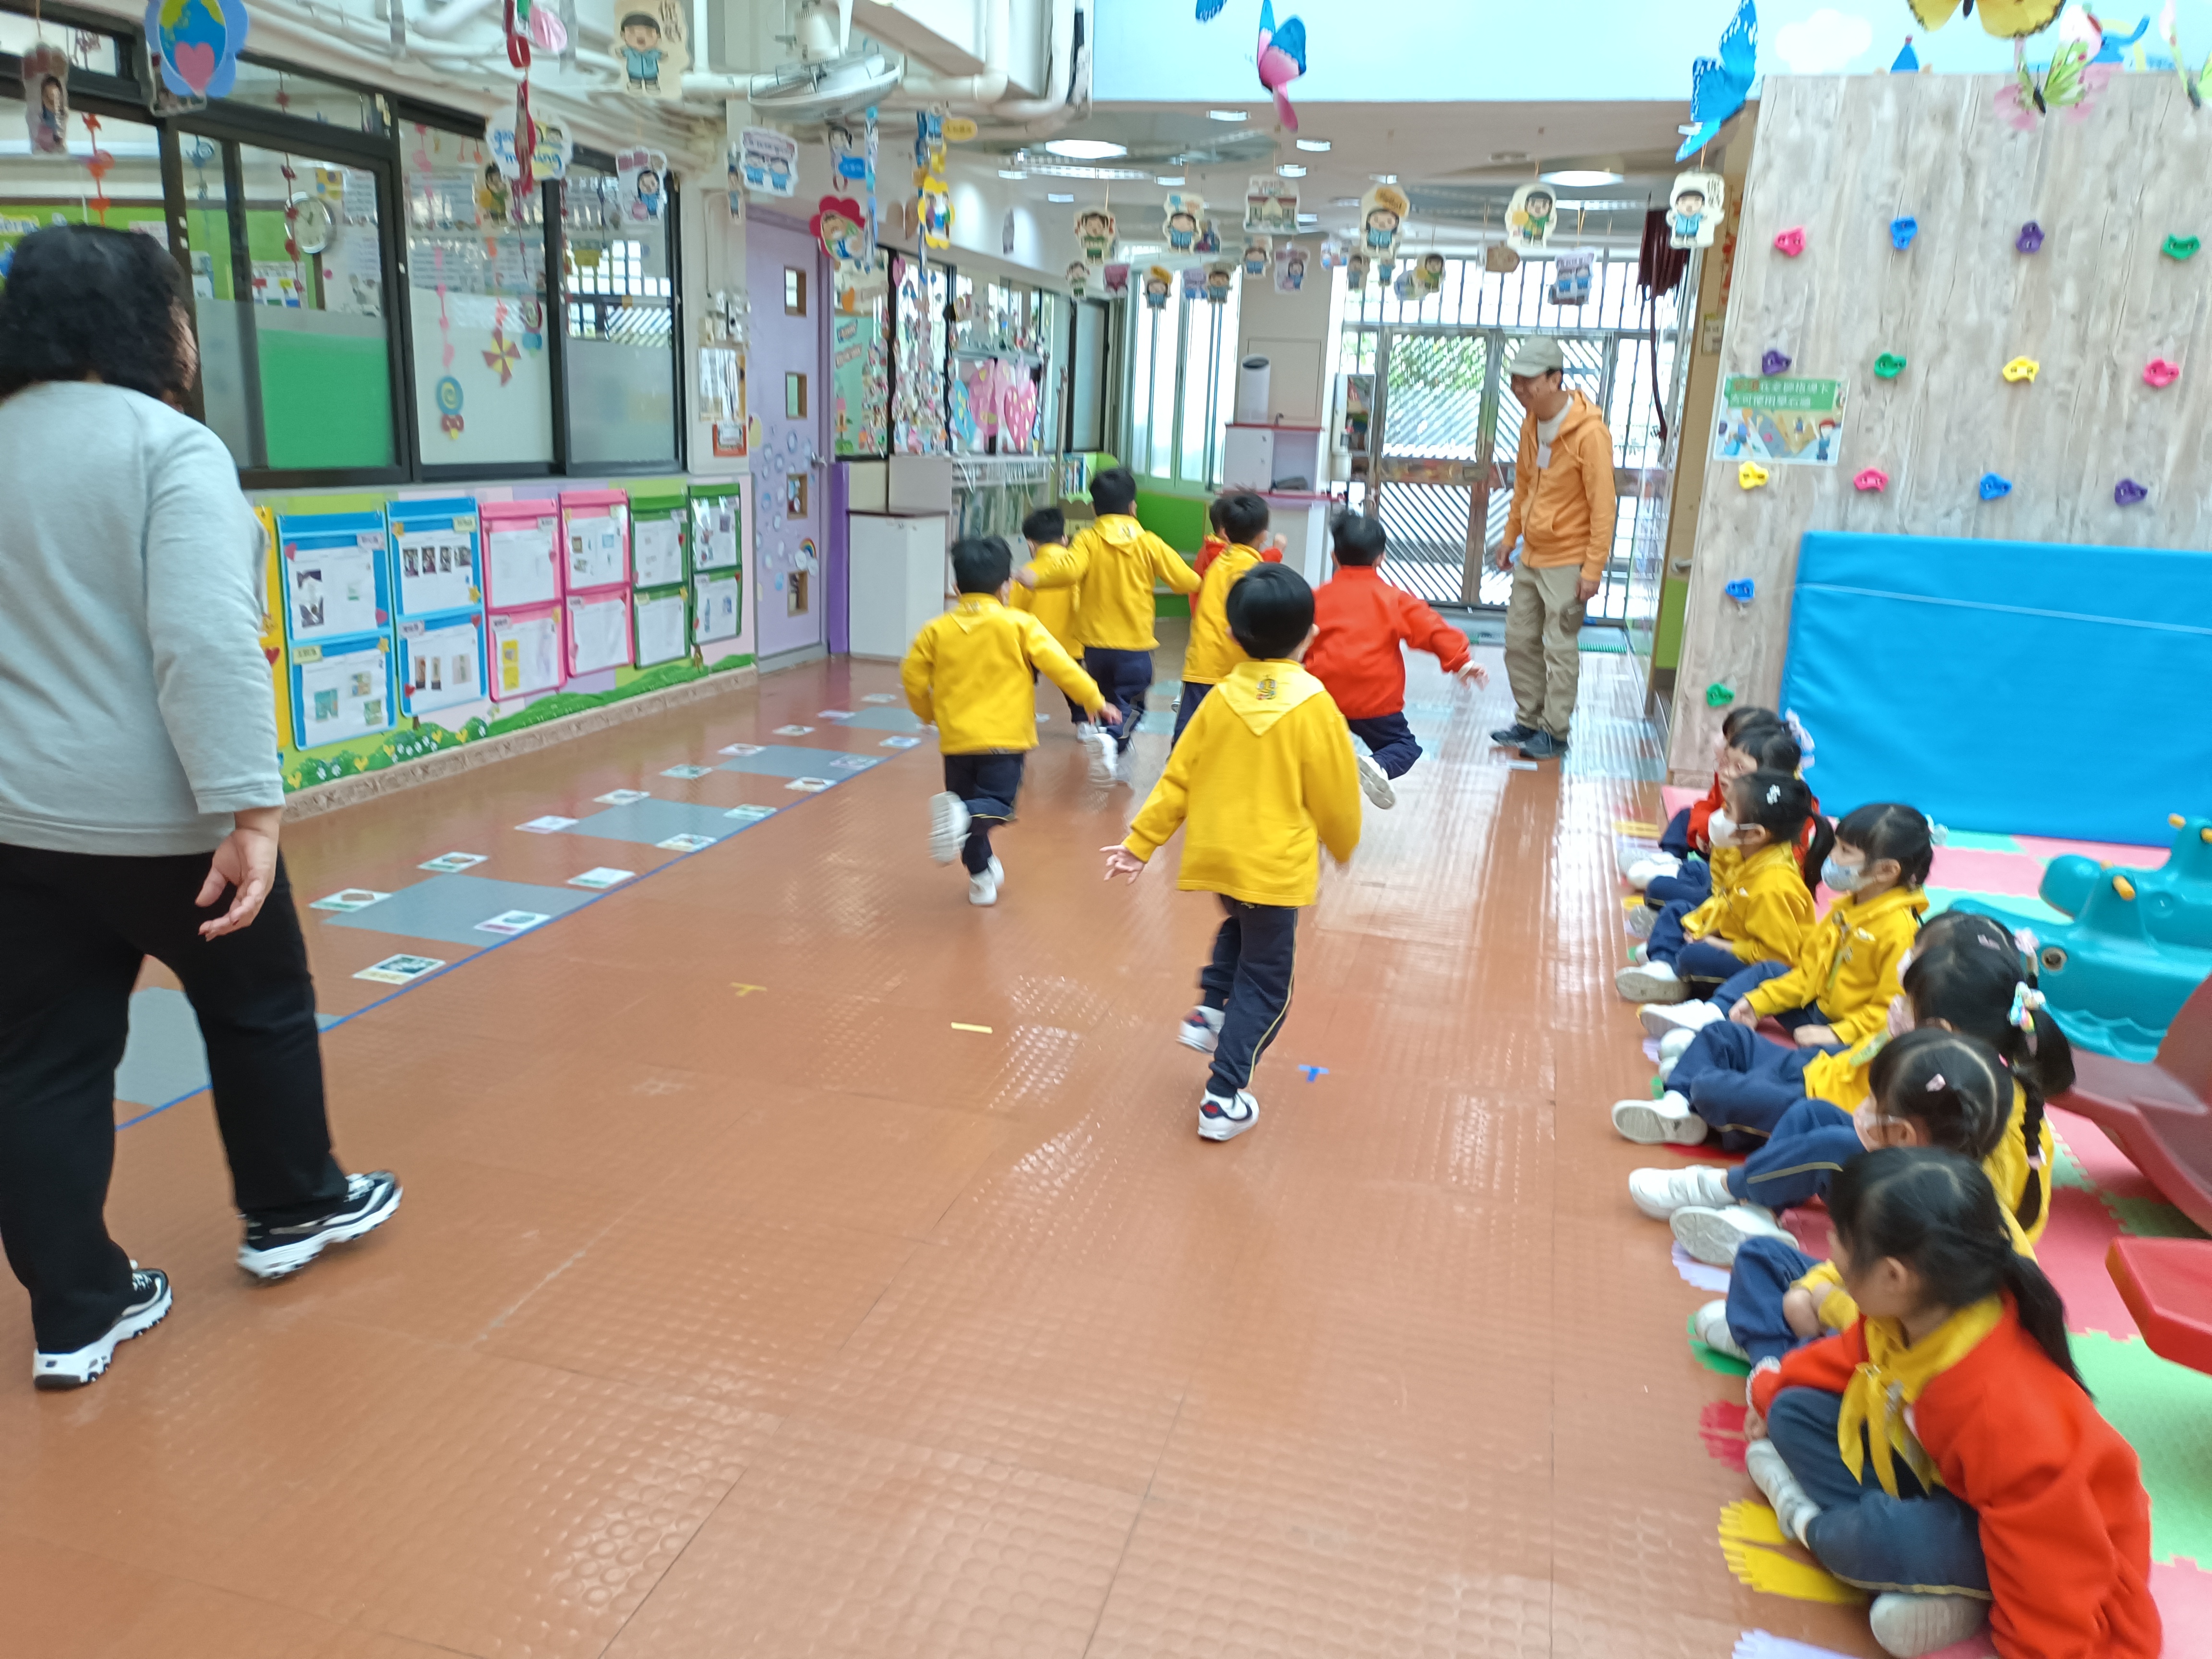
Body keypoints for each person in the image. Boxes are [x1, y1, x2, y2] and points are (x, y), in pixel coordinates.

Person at [0, 225, 400, 1391]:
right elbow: (205, 637)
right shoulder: (167, 446)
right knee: (258, 1001)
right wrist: (252, 813)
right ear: (142, 324)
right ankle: (292, 1207)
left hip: (17, 821)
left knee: (38, 1061)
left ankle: (75, 1313)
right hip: (168, 823)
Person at [1743, 1149, 2159, 1659]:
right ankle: (1935, 1583)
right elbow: (1847, 1358)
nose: (1829, 1252)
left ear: (1894, 1276)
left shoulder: (2003, 1408)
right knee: (1793, 1413)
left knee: (1867, 1542)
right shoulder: (1908, 1315)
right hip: (1951, 1487)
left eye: (1841, 1242)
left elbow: (2053, 1558)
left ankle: (1814, 1525)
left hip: (2055, 1544)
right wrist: (1769, 1393)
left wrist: (2034, 1649)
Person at [1623, 918, 2073, 1264]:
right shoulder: (1962, 1069)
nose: (1896, 1009)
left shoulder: (1980, 1098)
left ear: (1939, 1028)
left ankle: (1721, 1186)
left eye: (1907, 1005)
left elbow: (1957, 1202)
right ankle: (1757, 1209)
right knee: (1814, 1116)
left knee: (1834, 1146)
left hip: (1938, 1240)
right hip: (1915, 1180)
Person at [1102, 565, 1360, 1142]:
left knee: (1242, 926)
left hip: (1221, 859)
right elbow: (1337, 792)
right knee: (1268, 984)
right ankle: (1222, 1099)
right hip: (1275, 868)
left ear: (1230, 636)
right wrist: (1343, 844)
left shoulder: (1218, 699)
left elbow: (1178, 778)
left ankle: (1210, 1009)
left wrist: (1140, 844)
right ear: (1311, 636)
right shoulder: (1315, 706)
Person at [1691, 1028, 2020, 1370]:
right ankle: (1775, 1346)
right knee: (1759, 1257)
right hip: (1864, 1299)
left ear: (1904, 1135)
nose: (1864, 1108)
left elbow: (1894, 1332)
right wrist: (1811, 1288)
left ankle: (1775, 1361)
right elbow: (1852, 1268)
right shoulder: (1916, 1184)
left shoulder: (1937, 1220)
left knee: (1802, 1375)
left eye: (1875, 1101)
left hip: (1884, 1352)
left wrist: (1826, 1303)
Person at [903, 536, 1116, 907]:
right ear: (1005, 586)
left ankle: (981, 878)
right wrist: (1095, 700)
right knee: (995, 806)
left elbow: (912, 678)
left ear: (956, 587)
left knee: (964, 814)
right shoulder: (1020, 624)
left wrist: (927, 713)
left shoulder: (935, 630)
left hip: (957, 741)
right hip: (1005, 740)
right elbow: (1062, 666)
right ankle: (966, 818)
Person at [1646, 800, 1931, 1043]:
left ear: (1886, 871)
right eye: (1836, 846)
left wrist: (1836, 1034)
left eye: (1845, 851)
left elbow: (1889, 1014)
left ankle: (1713, 1036)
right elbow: (1807, 973)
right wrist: (1757, 1002)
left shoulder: (1900, 932)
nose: (1832, 857)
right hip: (1815, 1007)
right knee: (1769, 973)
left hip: (1849, 1033)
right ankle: (1711, 1014)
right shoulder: (1847, 909)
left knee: (1814, 1066)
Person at [1018, 465, 1201, 785]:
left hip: (1095, 648)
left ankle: (1110, 745)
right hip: (1135, 646)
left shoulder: (1087, 540)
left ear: (1093, 508)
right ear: (1133, 507)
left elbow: (1069, 570)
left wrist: (1036, 578)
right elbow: (1186, 581)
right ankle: (1112, 740)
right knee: (1133, 704)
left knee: (1108, 701)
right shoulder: (1148, 542)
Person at [1305, 511, 1488, 809]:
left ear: (1334, 557)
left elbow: (1290, 635)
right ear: (1381, 558)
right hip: (1375, 700)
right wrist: (1461, 661)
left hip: (1322, 696)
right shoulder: (1394, 599)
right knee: (1403, 747)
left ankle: (1310, 791)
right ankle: (1378, 765)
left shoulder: (1315, 598)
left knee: (1314, 747)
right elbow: (1431, 628)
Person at [1489, 337, 1617, 761]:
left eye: (1529, 381)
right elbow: (1525, 485)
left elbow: (1604, 507)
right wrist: (1510, 537)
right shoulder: (1531, 423)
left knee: (1559, 646)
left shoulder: (1590, 434)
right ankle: (1528, 720)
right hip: (1531, 554)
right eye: (1515, 380)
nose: (1520, 389)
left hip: (1568, 558)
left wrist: (1593, 569)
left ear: (1555, 378)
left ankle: (1555, 731)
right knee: (1519, 640)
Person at [1615, 771, 1827, 1007]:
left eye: (1728, 812)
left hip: (1769, 963)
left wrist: (1717, 943)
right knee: (1678, 912)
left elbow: (1777, 956)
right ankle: (1665, 967)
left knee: (1694, 957)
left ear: (1756, 833)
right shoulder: (1747, 853)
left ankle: (1676, 969)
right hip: (1737, 935)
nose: (1719, 817)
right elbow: (1728, 906)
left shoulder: (1774, 887)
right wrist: (1705, 927)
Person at [1620, 702, 1776, 887]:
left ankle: (1679, 871)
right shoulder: (1728, 774)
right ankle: (1669, 859)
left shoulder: (1764, 796)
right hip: (1713, 844)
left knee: (1663, 890)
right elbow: (1708, 804)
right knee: (1685, 816)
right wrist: (1703, 829)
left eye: (1731, 741)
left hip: (1728, 864)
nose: (1724, 745)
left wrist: (1716, 838)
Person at [1174, 492, 1272, 743]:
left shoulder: (1217, 563)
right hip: (1237, 671)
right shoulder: (1255, 573)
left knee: (1187, 740)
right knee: (1236, 740)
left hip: (1201, 665)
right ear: (1263, 534)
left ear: (1225, 532)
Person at [1006, 505, 1087, 732]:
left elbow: (1015, 612)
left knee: (1022, 679)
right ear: (1065, 539)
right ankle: (1084, 724)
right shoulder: (1076, 569)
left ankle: (1020, 719)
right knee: (1073, 682)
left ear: (1031, 545)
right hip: (1070, 642)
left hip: (1033, 642)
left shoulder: (1026, 573)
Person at [619, 12, 665, 92]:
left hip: (651, 73)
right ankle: (635, 86)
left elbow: (660, 56)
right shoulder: (630, 51)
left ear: (658, 36)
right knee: (635, 82)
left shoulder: (653, 52)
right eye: (632, 32)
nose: (640, 35)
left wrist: (663, 56)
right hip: (634, 72)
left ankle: (652, 87)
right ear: (623, 36)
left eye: (648, 32)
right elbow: (622, 54)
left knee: (652, 82)